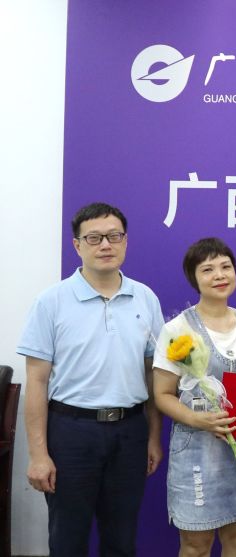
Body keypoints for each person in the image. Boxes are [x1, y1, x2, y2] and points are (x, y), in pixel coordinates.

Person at [17, 202, 164, 556]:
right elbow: (36, 382)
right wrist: (38, 455)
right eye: (94, 238)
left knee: (122, 539)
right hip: (71, 433)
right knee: (68, 539)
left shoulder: (145, 297)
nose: (106, 245)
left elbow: (153, 376)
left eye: (114, 236)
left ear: (125, 241)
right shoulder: (51, 302)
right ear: (77, 245)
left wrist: (153, 437)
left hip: (130, 432)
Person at [152, 238, 236, 557]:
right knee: (195, 546)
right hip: (197, 453)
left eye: (225, 267)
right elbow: (162, 394)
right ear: (194, 278)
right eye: (207, 269)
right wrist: (198, 419)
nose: (219, 275)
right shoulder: (177, 329)